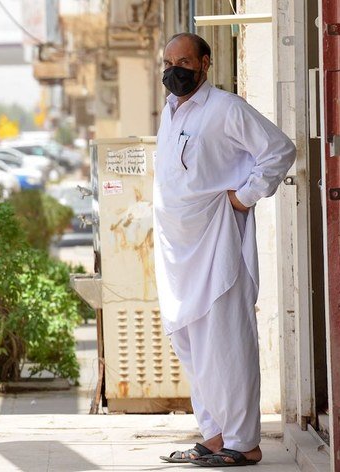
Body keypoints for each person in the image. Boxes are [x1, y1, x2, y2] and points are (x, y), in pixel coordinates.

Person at [153, 33, 296, 467]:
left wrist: (244, 196)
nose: (174, 70)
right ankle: (213, 436)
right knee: (190, 344)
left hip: (218, 245)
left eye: (183, 61)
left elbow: (279, 150)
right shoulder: (171, 111)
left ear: (205, 63)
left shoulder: (226, 109)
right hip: (178, 251)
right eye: (168, 62)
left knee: (225, 345)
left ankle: (243, 442)